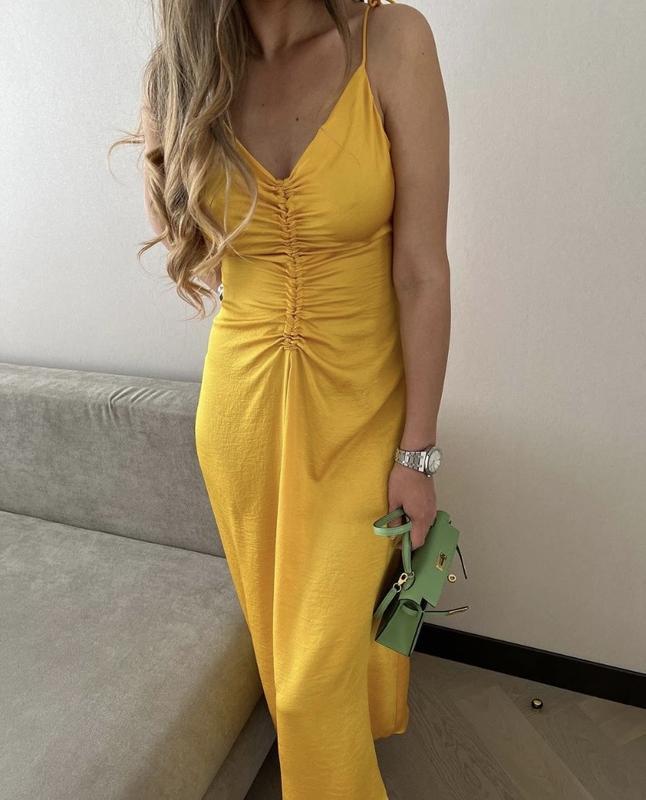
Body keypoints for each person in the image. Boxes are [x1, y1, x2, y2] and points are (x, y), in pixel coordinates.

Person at [127, 0, 450, 796]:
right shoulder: (184, 74)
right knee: (289, 659)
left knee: (310, 682)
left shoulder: (392, 41)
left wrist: (418, 452)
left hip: (364, 412)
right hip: (241, 417)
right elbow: (194, 249)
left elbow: (422, 271)